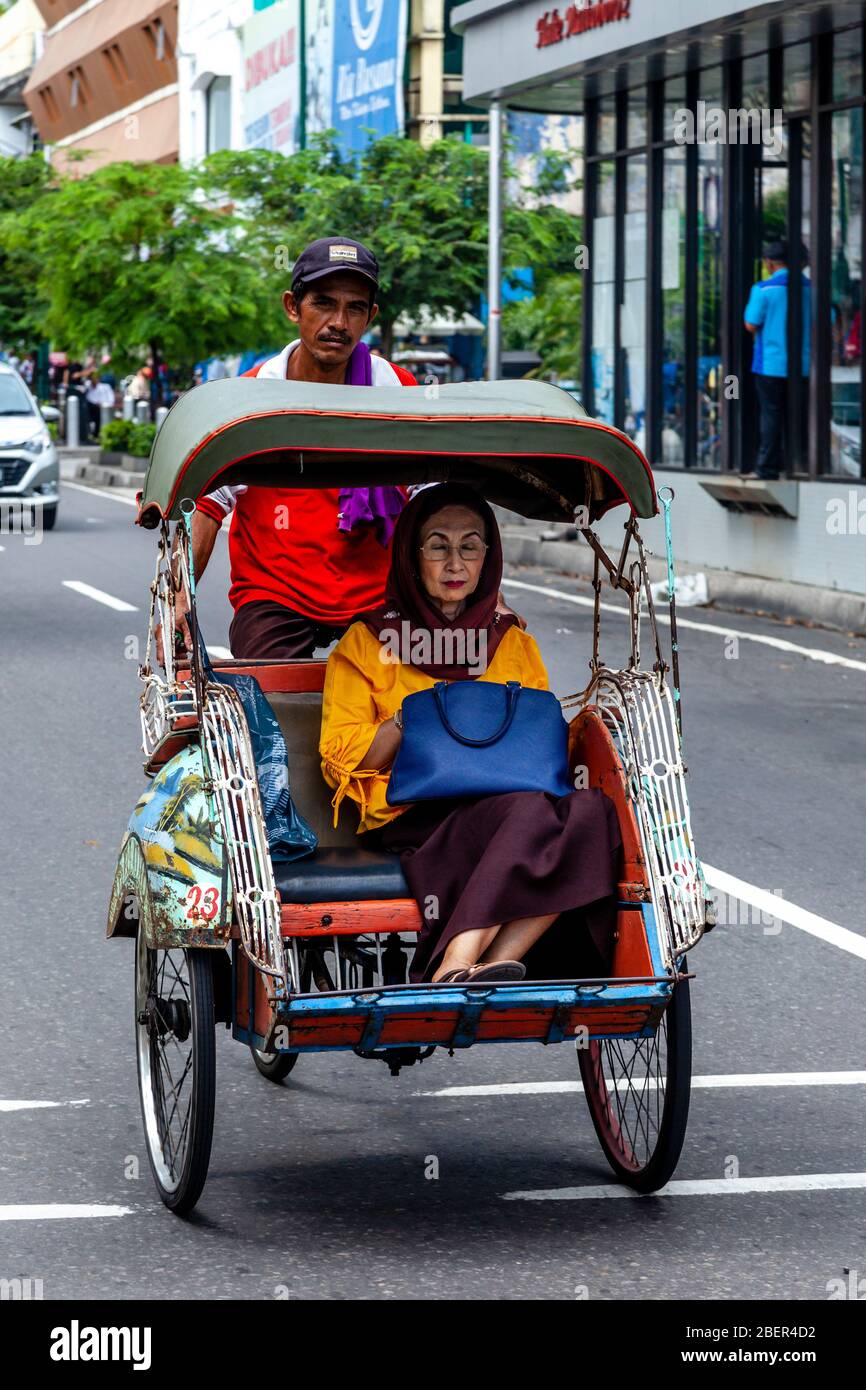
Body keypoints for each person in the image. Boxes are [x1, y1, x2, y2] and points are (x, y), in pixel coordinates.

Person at [319, 483, 622, 985]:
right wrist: (409, 719)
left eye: (470, 546)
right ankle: (455, 963)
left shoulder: (513, 640)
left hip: (507, 804)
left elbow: (541, 745)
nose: (455, 562)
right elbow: (345, 761)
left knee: (592, 811)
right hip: (412, 811)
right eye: (438, 546)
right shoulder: (367, 641)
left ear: (488, 557)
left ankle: (485, 963)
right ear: (413, 558)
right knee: (528, 813)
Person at [180, 236, 521, 661]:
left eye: (355, 307)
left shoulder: (394, 389)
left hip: (380, 591)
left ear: (370, 316)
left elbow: (433, 499)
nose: (338, 322)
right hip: (276, 589)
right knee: (269, 699)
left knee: (429, 690)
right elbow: (207, 507)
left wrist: (492, 598)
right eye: (323, 303)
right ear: (292, 306)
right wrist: (179, 600)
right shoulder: (251, 396)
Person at [743, 239, 810, 479]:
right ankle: (801, 464)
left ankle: (768, 468)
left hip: (770, 365)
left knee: (771, 415)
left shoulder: (763, 290)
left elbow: (751, 324)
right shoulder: (812, 289)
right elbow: (829, 322)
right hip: (804, 366)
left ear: (769, 263)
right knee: (800, 414)